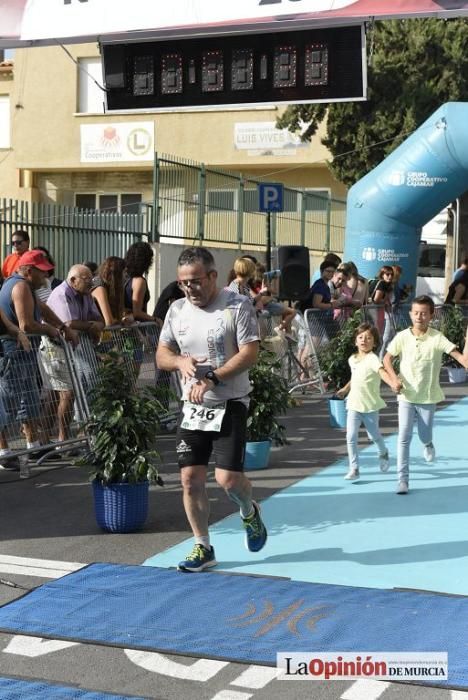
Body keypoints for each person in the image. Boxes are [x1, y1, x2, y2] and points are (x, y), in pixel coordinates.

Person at [156, 246, 267, 572]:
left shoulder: (237, 305)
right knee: (190, 479)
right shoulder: (177, 310)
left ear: (213, 276)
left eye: (196, 281)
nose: (190, 288)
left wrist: (214, 378)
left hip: (231, 401)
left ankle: (249, 511)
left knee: (229, 479)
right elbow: (161, 355)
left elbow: (249, 353)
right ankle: (202, 546)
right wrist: (180, 360)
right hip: (193, 406)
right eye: (184, 283)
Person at [383, 295, 468, 495]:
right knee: (403, 436)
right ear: (410, 314)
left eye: (423, 313)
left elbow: (461, 358)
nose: (419, 317)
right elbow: (387, 359)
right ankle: (402, 480)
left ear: (431, 315)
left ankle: (428, 444)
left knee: (424, 434)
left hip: (428, 396)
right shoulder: (402, 336)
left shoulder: (437, 337)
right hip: (405, 395)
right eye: (416, 313)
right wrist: (394, 380)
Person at [0, 250, 77, 465]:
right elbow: (27, 325)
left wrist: (60, 326)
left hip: (22, 352)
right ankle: (4, 452)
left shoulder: (27, 286)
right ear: (27, 270)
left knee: (29, 399)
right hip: (12, 352)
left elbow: (42, 309)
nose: (45, 277)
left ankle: (32, 446)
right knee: (10, 401)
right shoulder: (20, 286)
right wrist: (51, 331)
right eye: (41, 272)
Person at [44, 265, 104, 443]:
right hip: (56, 347)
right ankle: (57, 438)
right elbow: (68, 324)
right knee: (63, 393)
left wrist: (92, 325)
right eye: (87, 280)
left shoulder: (85, 295)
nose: (90, 283)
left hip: (75, 345)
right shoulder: (62, 294)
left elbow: (100, 320)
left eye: (91, 279)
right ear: (73, 281)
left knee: (71, 390)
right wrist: (91, 326)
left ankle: (68, 436)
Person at [336, 323, 399, 480]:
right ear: (355, 341)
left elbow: (382, 372)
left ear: (375, 343)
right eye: (361, 337)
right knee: (350, 436)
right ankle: (354, 468)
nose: (364, 340)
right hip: (353, 404)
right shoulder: (352, 359)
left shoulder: (372, 359)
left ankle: (383, 451)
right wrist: (345, 389)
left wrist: (392, 383)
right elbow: (355, 377)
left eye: (369, 338)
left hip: (370, 405)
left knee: (373, 436)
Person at [91, 256, 132, 327]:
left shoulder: (110, 287)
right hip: (95, 333)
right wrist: (121, 323)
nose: (126, 276)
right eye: (124, 272)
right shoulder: (99, 286)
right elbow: (109, 321)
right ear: (117, 273)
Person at [123, 241, 155, 322]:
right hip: (136, 328)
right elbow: (137, 313)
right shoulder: (139, 281)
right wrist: (155, 319)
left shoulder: (125, 277)